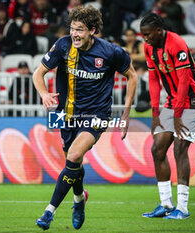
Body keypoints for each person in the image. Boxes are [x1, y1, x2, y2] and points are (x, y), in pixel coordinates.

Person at [33, 5, 137, 230]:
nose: (74, 34)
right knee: (72, 162)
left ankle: (48, 212)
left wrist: (126, 112)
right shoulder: (62, 46)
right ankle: (79, 200)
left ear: (92, 30)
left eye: (79, 30)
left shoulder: (110, 52)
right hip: (66, 114)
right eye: (72, 29)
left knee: (75, 153)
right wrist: (43, 93)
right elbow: (38, 73)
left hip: (97, 115)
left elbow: (132, 76)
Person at [139, 13, 195, 219]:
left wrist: (177, 115)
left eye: (148, 34)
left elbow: (185, 82)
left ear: (159, 31)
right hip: (172, 101)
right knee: (157, 149)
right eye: (143, 35)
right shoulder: (149, 47)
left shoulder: (177, 43)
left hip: (193, 101)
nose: (145, 39)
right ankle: (166, 204)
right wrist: (155, 112)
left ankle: (183, 208)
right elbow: (152, 79)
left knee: (180, 148)